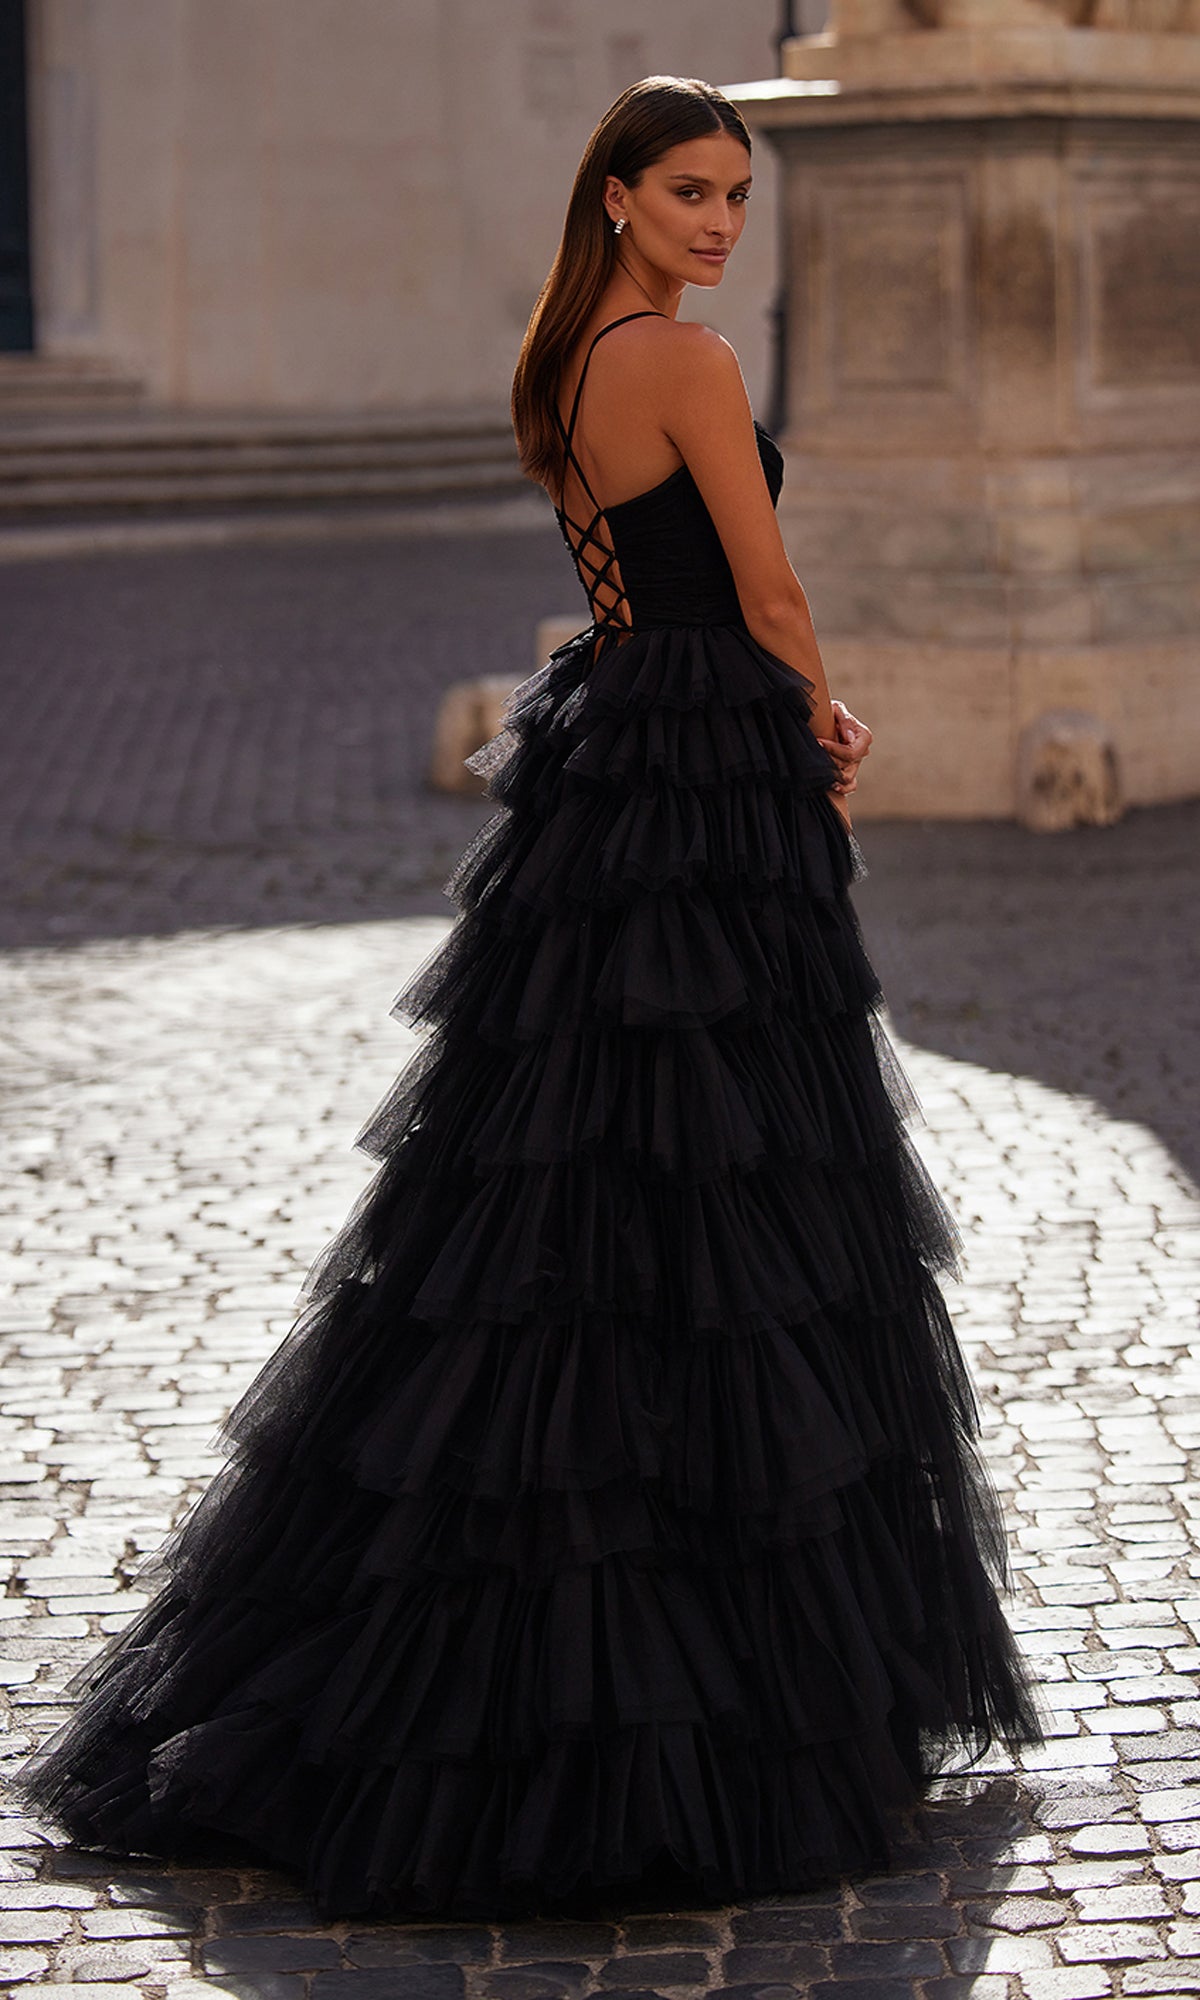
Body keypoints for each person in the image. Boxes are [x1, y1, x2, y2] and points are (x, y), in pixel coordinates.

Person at [17, 74, 1041, 1919]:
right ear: (622, 198)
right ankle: (710, 1669)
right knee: (735, 1184)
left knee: (557, 1183)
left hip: (607, 756)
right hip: (708, 779)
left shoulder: (560, 362)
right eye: (692, 192)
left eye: (739, 194)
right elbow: (770, 589)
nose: (725, 221)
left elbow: (628, 584)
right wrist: (816, 726)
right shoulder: (692, 361)